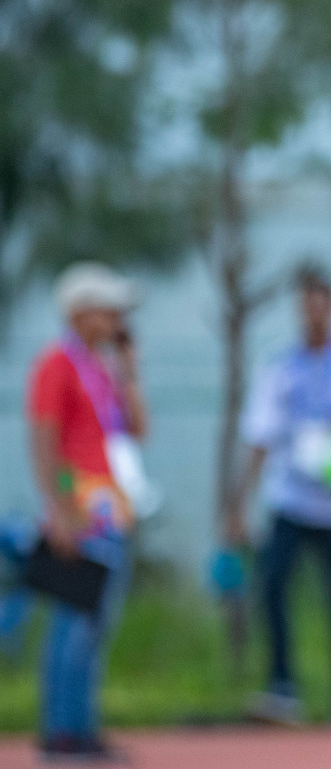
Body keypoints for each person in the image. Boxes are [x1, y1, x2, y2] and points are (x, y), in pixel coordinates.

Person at [226, 263, 331, 725]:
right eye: (306, 305)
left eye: (322, 304)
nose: (314, 313)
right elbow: (259, 438)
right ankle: (283, 685)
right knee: (273, 582)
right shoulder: (280, 367)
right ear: (299, 309)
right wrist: (238, 503)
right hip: (292, 500)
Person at [24, 262, 149, 761]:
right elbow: (43, 441)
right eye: (110, 310)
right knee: (71, 625)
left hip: (110, 511)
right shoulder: (55, 364)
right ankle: (60, 731)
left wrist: (129, 369)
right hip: (78, 512)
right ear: (80, 312)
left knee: (96, 624)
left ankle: (83, 726)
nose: (118, 320)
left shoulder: (99, 368)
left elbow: (137, 430)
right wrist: (58, 509)